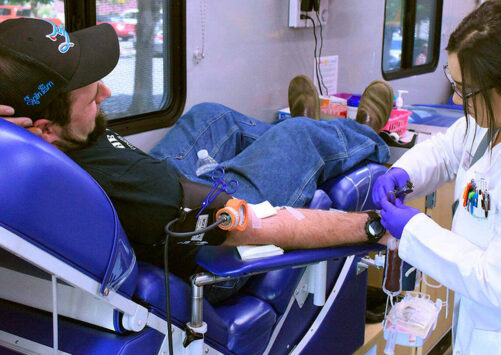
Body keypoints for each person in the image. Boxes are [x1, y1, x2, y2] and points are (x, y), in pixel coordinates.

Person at [0, 18, 394, 302]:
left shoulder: (41, 135)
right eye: (90, 98)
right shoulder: (128, 190)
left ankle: (327, 132)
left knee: (212, 115)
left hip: (158, 183)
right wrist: (376, 226)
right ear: (44, 130)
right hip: (201, 248)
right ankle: (370, 136)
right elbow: (255, 227)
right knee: (298, 135)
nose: (105, 92)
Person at [372, 1, 501, 353]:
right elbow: (448, 149)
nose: (455, 97)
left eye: (466, 89)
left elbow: (499, 281)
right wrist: (404, 172)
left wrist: (415, 228)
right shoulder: (500, 115)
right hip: (481, 326)